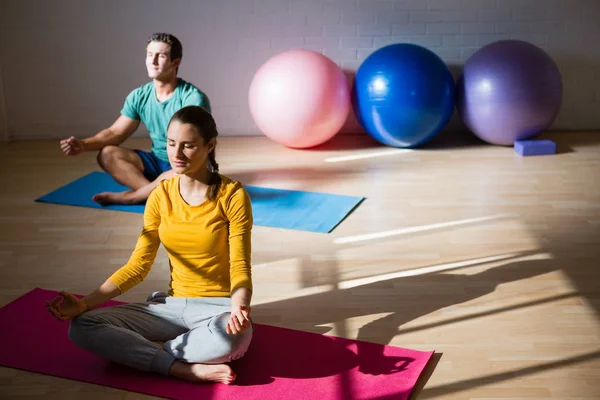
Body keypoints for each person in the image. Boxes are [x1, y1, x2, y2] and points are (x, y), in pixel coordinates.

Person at [47, 106, 252, 385]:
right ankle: (181, 368)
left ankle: (146, 352)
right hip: (169, 306)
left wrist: (239, 306)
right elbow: (138, 266)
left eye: (188, 146)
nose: (176, 155)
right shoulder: (160, 195)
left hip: (217, 308)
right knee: (81, 327)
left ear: (210, 145)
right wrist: (85, 303)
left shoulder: (232, 195)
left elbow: (239, 264)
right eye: (171, 144)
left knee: (233, 340)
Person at [59, 32, 211, 205]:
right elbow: (115, 133)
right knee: (107, 154)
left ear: (175, 62)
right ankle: (154, 195)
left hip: (185, 163)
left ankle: (133, 196)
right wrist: (83, 145)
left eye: (160, 56)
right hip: (156, 161)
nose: (152, 61)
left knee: (188, 170)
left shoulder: (192, 99)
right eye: (149, 55)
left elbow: (191, 149)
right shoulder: (139, 96)